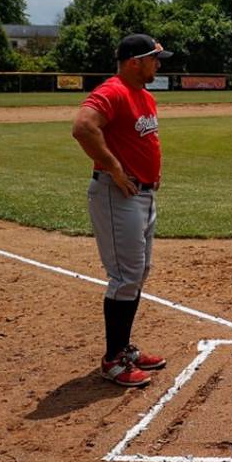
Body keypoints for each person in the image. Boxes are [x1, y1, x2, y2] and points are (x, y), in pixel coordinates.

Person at [69, 34, 174, 387]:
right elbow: (83, 127)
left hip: (142, 196)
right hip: (118, 197)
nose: (158, 65)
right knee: (125, 276)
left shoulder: (144, 95)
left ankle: (124, 348)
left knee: (138, 271)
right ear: (135, 62)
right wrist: (115, 169)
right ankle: (113, 360)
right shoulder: (113, 91)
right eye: (154, 59)